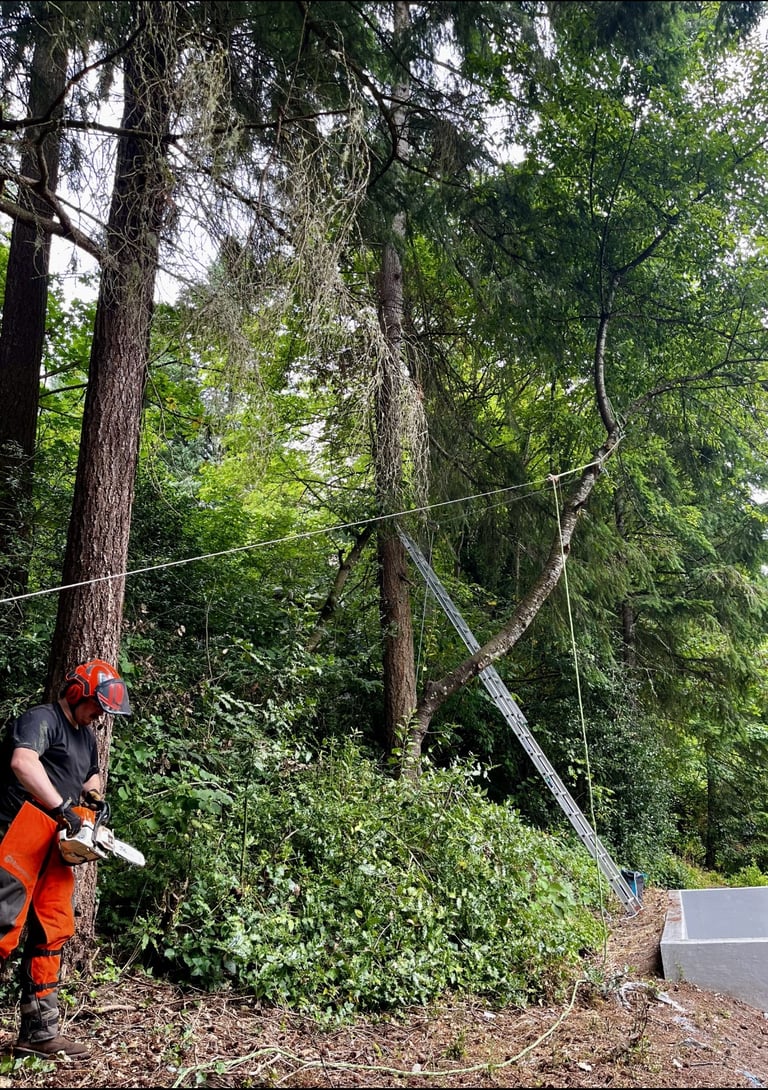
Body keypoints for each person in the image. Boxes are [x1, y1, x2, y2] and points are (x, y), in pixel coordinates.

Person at [0, 658, 131, 1060]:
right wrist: (63, 807)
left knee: (53, 931)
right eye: (95, 706)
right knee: (1, 927)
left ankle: (39, 1032)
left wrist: (94, 798)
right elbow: (23, 763)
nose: (98, 716)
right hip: (18, 834)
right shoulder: (42, 720)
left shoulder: (85, 735)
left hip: (57, 843)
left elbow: (90, 775)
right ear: (76, 694)